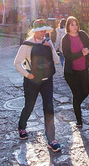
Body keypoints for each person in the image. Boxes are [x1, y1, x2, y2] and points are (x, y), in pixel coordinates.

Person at [14, 19, 62, 153]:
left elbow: (56, 61)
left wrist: (51, 48)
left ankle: (51, 139)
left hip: (47, 80)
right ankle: (22, 126)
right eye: (41, 31)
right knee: (29, 105)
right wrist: (27, 74)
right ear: (35, 32)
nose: (43, 33)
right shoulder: (27, 45)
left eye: (44, 31)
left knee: (49, 107)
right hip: (32, 81)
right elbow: (17, 62)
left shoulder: (47, 42)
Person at [61, 16, 89, 128]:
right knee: (76, 94)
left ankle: (76, 106)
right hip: (71, 72)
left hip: (83, 69)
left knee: (85, 92)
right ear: (68, 26)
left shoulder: (82, 34)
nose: (75, 27)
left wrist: (88, 52)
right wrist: (81, 53)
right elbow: (67, 56)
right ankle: (79, 121)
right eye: (72, 25)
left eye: (76, 24)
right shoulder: (65, 39)